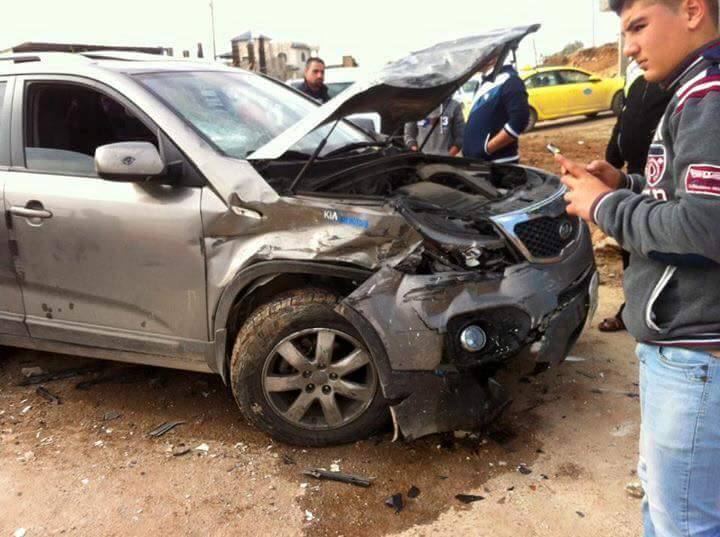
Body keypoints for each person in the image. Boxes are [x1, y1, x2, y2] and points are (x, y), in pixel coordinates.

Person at [556, 0, 720, 534]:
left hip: (695, 355)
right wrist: (623, 184)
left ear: (692, 9)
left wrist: (604, 206)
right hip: (680, 347)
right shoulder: (690, 90)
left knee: (684, 523)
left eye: (639, 27)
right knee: (664, 502)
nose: (629, 48)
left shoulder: (710, 96)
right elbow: (682, 197)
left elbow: (705, 228)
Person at [599, 60, 671, 332]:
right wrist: (612, 159)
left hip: (664, 179)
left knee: (660, 249)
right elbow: (622, 122)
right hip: (634, 177)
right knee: (631, 251)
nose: (631, 48)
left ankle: (660, 314)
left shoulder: (679, 85)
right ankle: (632, 309)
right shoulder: (639, 84)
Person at [462, 63, 530, 163]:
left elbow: (519, 120)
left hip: (499, 164)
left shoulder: (510, 80)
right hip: (481, 163)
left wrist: (486, 150)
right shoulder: (484, 82)